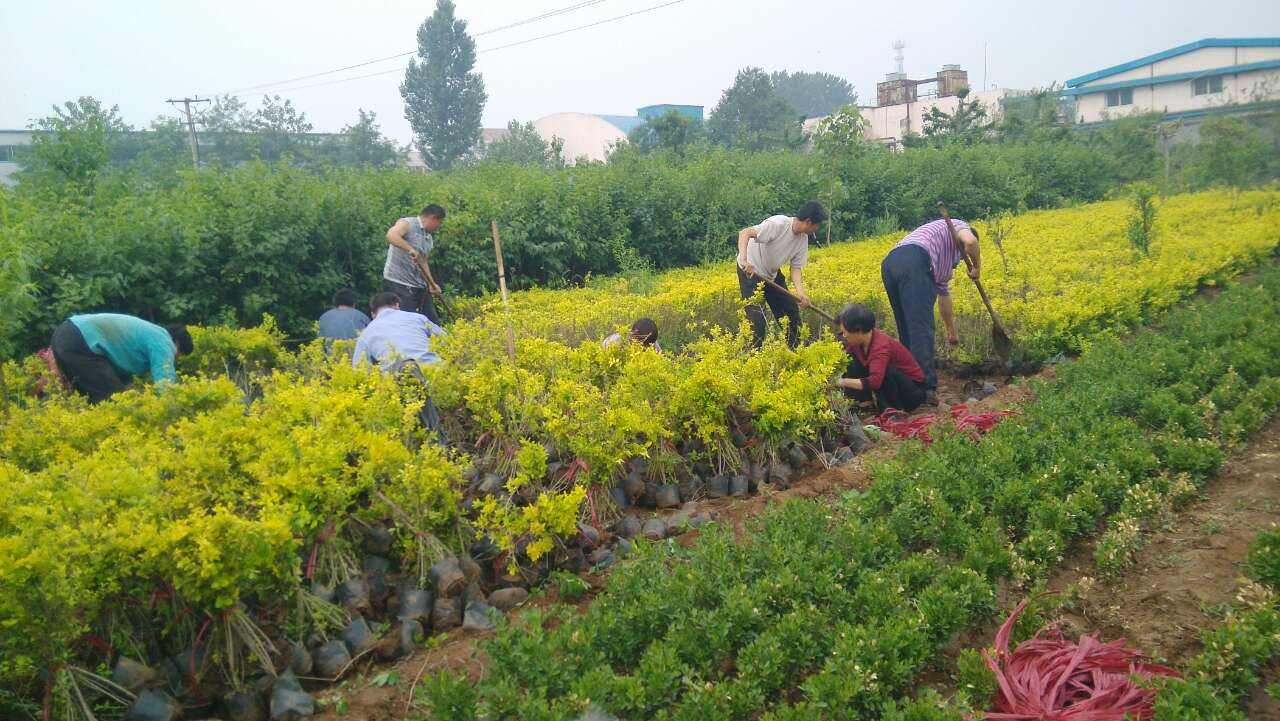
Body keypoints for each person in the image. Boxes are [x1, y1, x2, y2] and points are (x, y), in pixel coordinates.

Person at [881, 215, 980, 401]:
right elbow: (971, 242)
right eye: (963, 256)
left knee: (908, 331)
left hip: (890, 264)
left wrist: (951, 331)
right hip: (915, 260)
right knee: (921, 330)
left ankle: (909, 385)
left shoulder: (942, 257)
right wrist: (977, 266)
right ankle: (925, 389)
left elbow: (944, 296)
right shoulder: (958, 226)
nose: (961, 260)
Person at [736, 201, 827, 349]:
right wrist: (745, 260)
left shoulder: (802, 239)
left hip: (771, 274)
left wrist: (801, 294)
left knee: (791, 313)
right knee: (757, 321)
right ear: (809, 221)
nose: (817, 228)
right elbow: (744, 233)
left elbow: (796, 268)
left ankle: (797, 352)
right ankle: (755, 359)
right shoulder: (778, 224)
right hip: (750, 273)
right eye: (817, 225)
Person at [49, 313, 193, 403]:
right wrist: (173, 410)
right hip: (79, 338)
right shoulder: (163, 341)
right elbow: (165, 383)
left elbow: (117, 370)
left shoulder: (150, 333)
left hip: (66, 333)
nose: (173, 360)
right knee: (116, 402)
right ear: (177, 344)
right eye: (177, 356)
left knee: (93, 399)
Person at [835, 303, 927, 413]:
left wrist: (841, 381)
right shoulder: (859, 340)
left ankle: (893, 411)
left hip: (911, 391)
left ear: (859, 331)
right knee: (850, 359)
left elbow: (875, 382)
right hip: (894, 383)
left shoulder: (880, 347)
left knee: (886, 370)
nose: (844, 335)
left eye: (846, 332)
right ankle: (865, 404)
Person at [351, 292, 447, 372]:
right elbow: (446, 340)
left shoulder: (366, 333)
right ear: (397, 305)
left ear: (373, 314)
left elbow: (359, 368)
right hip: (433, 369)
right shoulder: (418, 318)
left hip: (396, 379)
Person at [383, 204, 446, 325]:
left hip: (419, 286)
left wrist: (431, 284)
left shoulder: (428, 238)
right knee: (408, 324)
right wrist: (410, 249)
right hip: (399, 284)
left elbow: (423, 261)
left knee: (432, 323)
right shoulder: (407, 223)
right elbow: (391, 235)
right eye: (440, 222)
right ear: (433, 218)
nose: (439, 226)